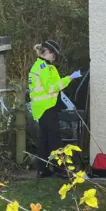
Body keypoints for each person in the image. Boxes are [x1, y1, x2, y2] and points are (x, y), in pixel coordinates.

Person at [28, 40, 82, 178]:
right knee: (54, 139)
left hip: (43, 107)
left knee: (44, 140)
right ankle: (59, 169)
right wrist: (69, 78)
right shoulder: (43, 67)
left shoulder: (42, 66)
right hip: (46, 107)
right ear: (48, 52)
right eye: (54, 54)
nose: (54, 58)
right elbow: (52, 87)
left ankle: (43, 169)